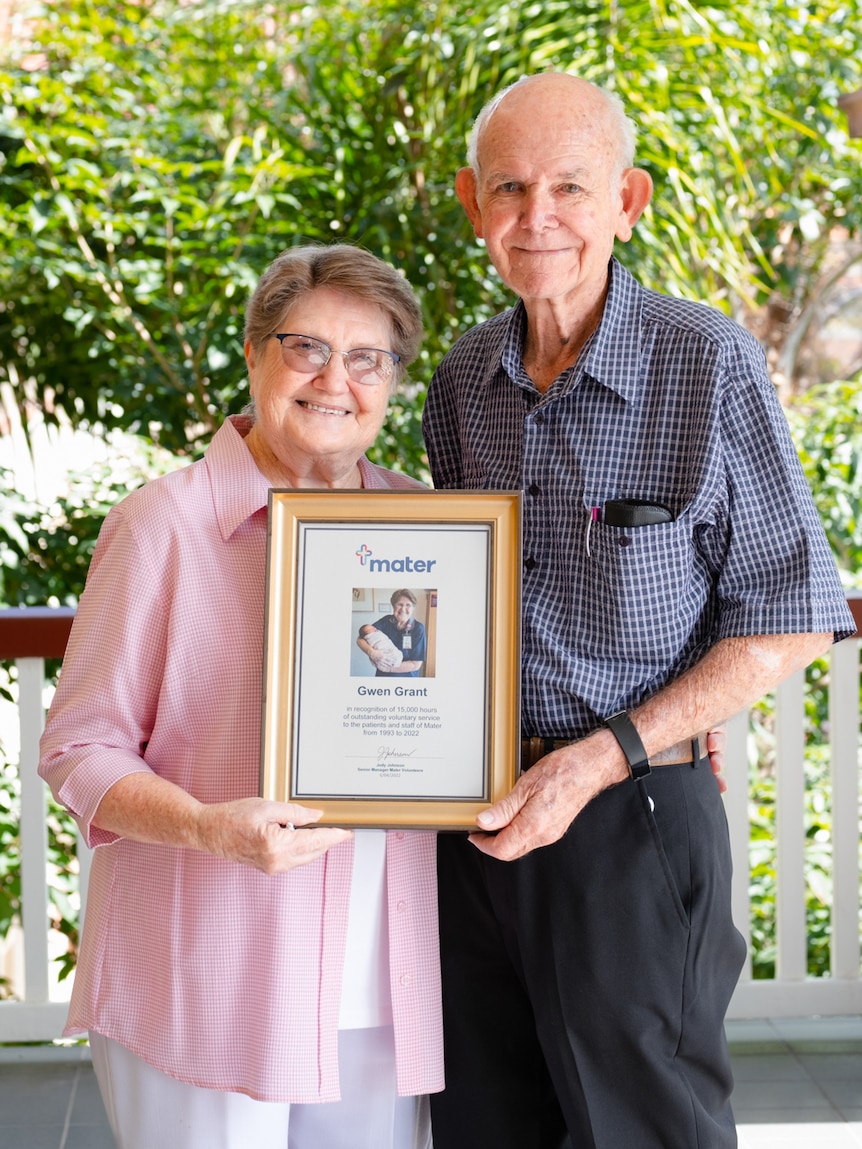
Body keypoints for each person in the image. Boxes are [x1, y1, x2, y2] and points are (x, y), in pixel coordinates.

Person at [421, 72, 855, 1149]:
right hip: (469, 823)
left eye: (570, 186)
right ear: (473, 205)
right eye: (511, 188)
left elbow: (789, 617)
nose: (539, 218)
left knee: (646, 1133)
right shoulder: (460, 379)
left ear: (628, 201)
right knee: (482, 1128)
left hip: (631, 822)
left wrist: (598, 758)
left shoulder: (702, 362)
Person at [38, 244, 443, 1149]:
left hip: (380, 983)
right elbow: (78, 749)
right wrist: (210, 826)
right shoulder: (164, 522)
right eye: (307, 348)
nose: (336, 379)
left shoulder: (428, 521)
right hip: (208, 974)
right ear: (257, 353)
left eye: (368, 358)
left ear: (391, 382)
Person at [367, 588, 427, 678]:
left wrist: (389, 669)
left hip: (407, 679)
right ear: (393, 606)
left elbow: (415, 664)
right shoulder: (386, 621)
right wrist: (371, 652)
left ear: (413, 608)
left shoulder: (418, 628)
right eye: (400, 604)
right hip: (383, 677)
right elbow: (361, 637)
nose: (403, 609)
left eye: (408, 605)